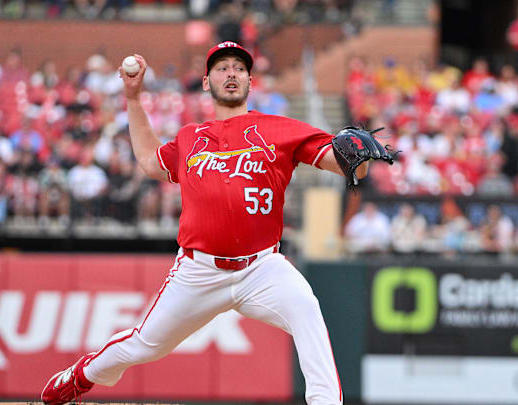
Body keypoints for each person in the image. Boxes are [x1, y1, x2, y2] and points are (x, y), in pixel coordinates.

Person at [41, 41, 372, 405]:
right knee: (144, 345)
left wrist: (358, 154)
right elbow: (152, 162)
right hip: (198, 271)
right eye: (222, 67)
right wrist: (134, 101)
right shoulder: (190, 138)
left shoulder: (279, 129)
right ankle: (81, 375)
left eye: (239, 68)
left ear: (249, 80)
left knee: (306, 309)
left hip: (261, 267)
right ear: (205, 81)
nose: (231, 73)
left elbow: (345, 163)